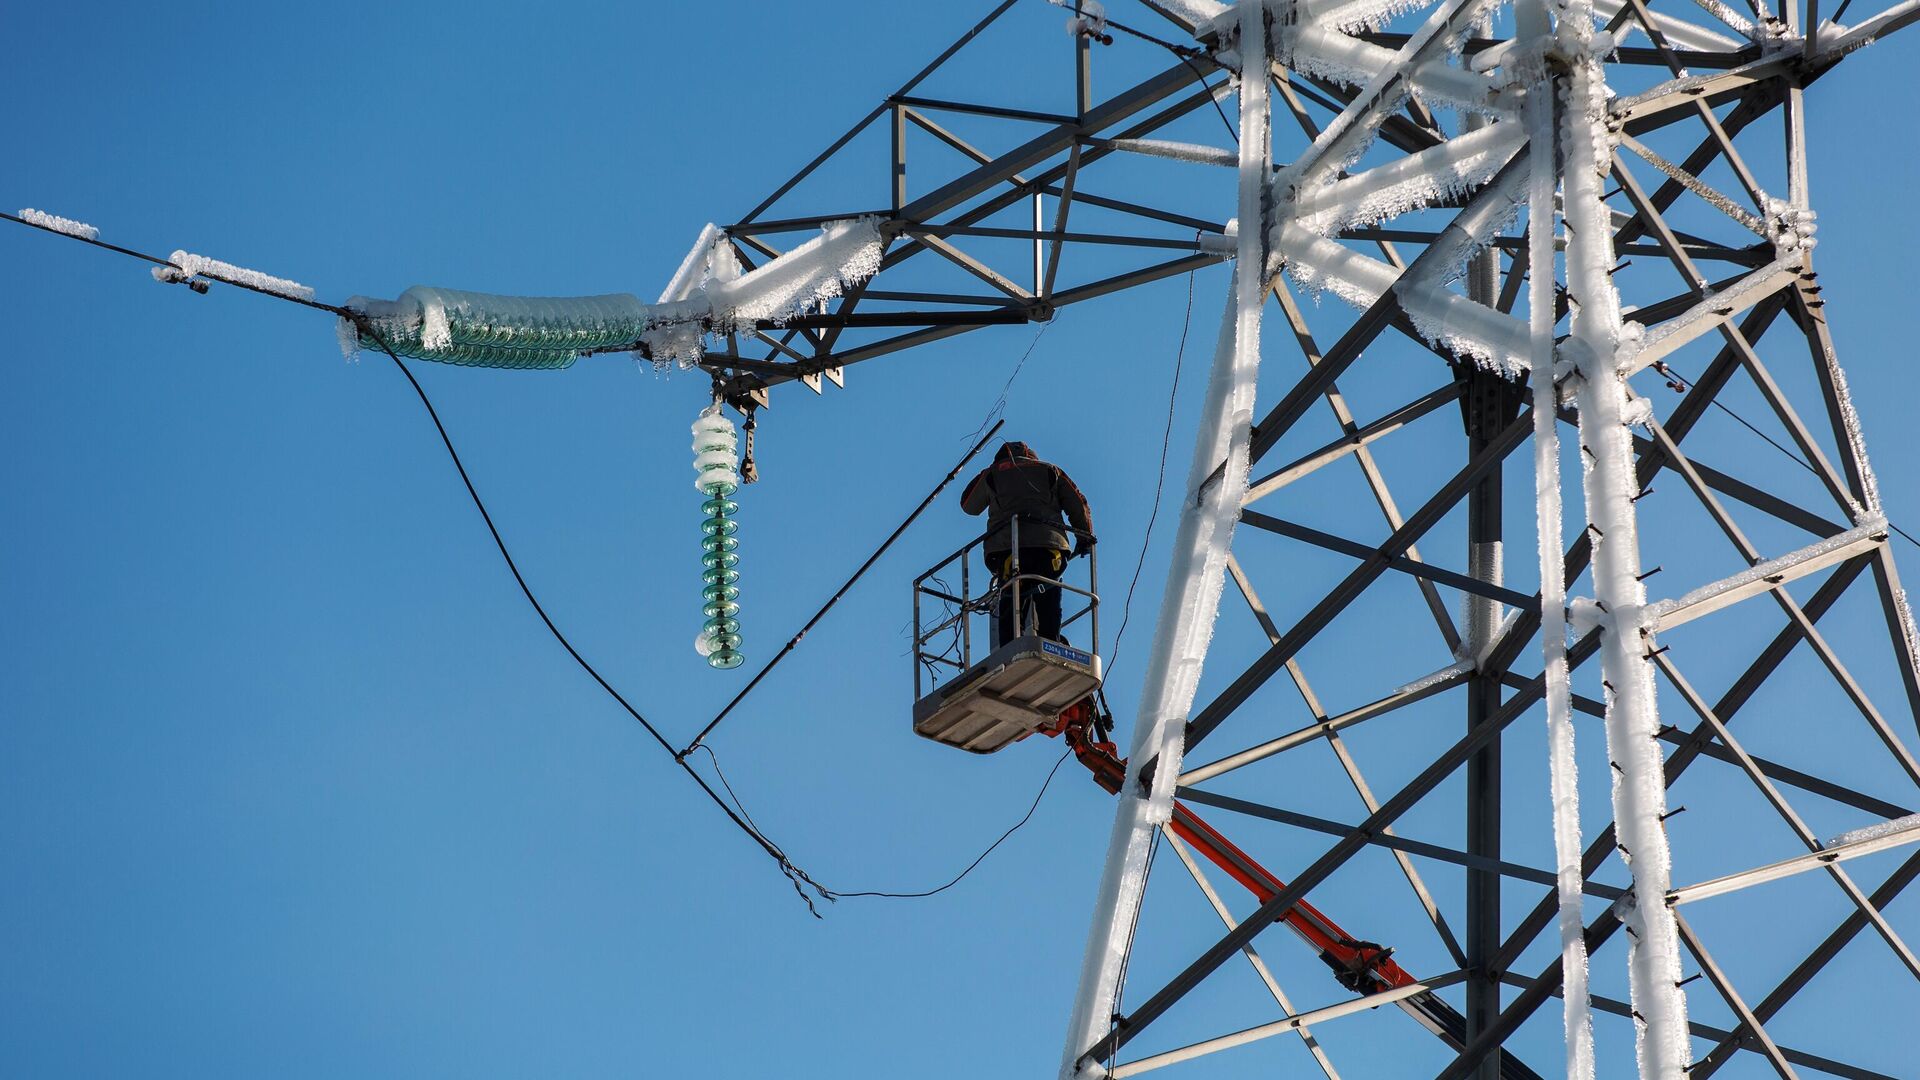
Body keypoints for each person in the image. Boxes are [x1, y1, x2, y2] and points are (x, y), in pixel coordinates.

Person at [960, 440, 1094, 647]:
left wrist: (989, 472)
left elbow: (968, 505)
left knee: (1011, 597)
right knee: (1047, 593)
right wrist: (1084, 538)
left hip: (1008, 549)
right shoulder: (1050, 470)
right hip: (1048, 547)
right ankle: (1051, 641)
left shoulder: (993, 474)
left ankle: (1010, 645)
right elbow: (1077, 503)